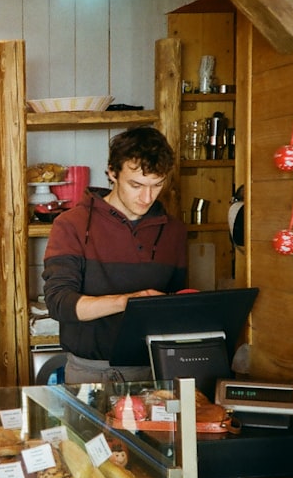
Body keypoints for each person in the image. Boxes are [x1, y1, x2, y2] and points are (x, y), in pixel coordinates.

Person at [42, 126, 187, 384]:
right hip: (89, 371)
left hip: (155, 370)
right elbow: (58, 302)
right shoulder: (71, 224)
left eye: (157, 185)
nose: (147, 197)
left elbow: (177, 304)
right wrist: (129, 302)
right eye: (136, 185)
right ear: (112, 172)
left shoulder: (174, 231)